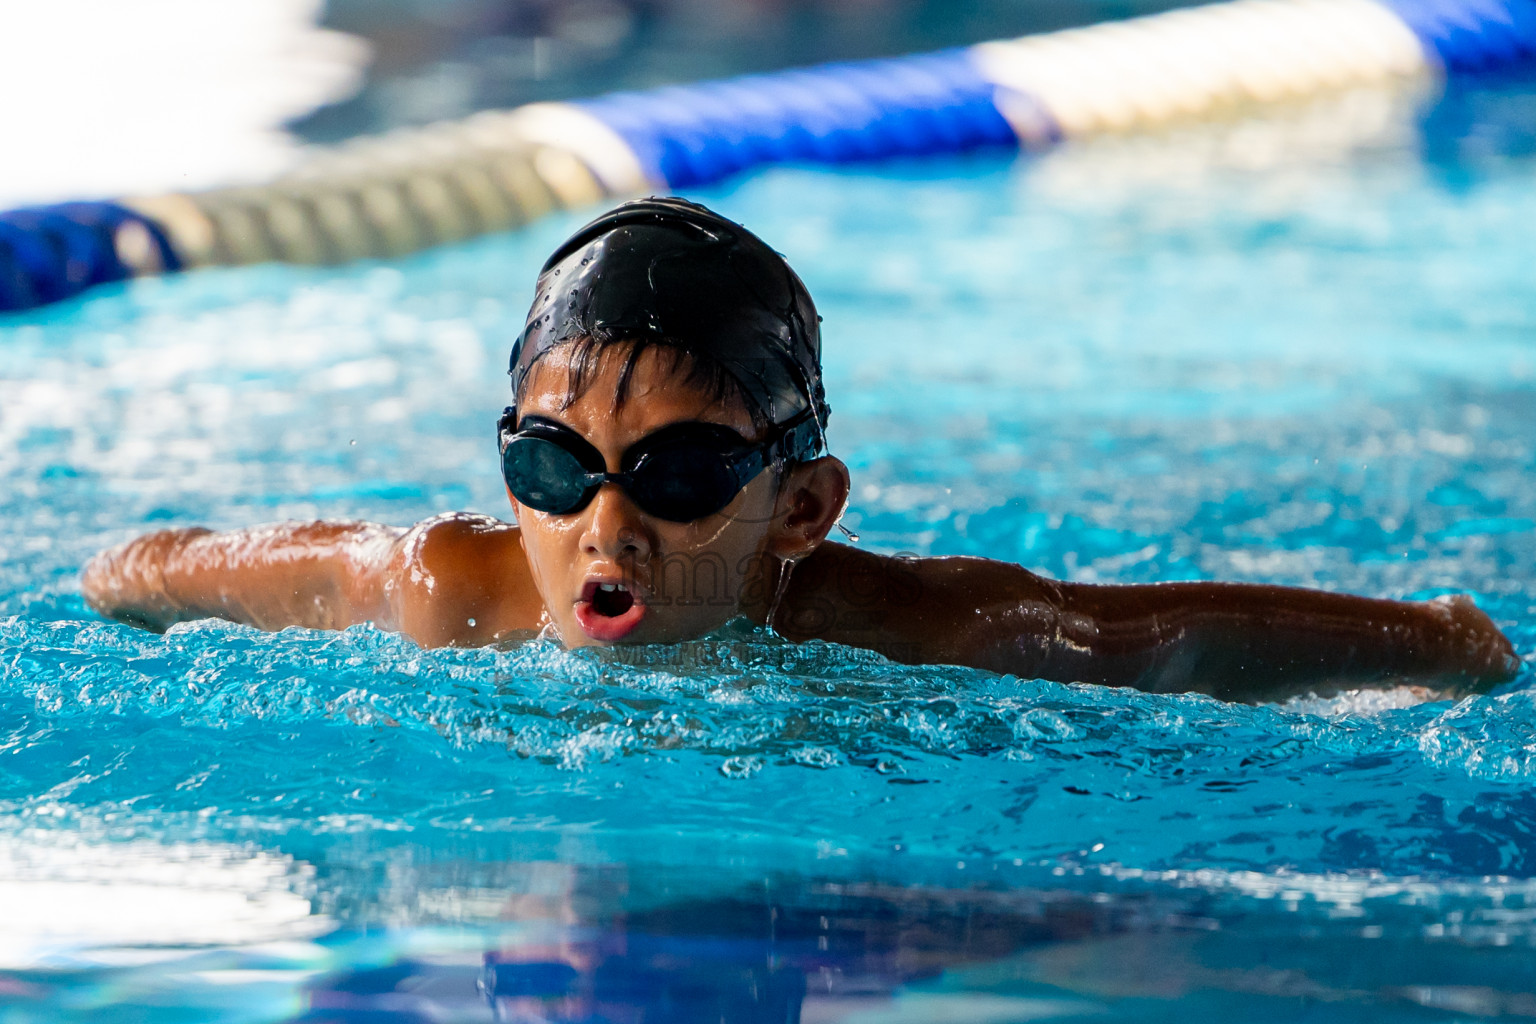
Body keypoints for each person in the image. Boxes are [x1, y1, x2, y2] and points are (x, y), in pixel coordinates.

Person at [81, 198, 1520, 703]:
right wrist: (122, 574)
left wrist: (1447, 641)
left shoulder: (897, 629)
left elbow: (1136, 639)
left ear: (802, 507)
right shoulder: (442, 593)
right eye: (553, 466)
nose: (605, 525)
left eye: (683, 472)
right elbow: (152, 572)